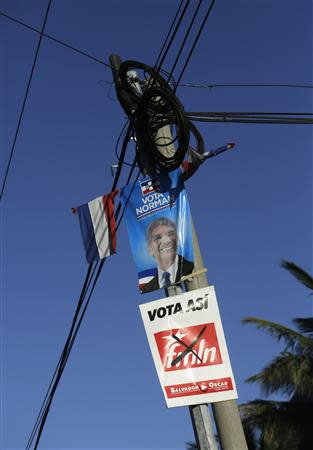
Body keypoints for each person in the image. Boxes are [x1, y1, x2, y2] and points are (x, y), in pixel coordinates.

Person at [141, 217, 194, 293]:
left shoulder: (191, 268)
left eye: (170, 234)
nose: (166, 241)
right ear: (150, 250)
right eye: (157, 238)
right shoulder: (147, 287)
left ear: (177, 241)